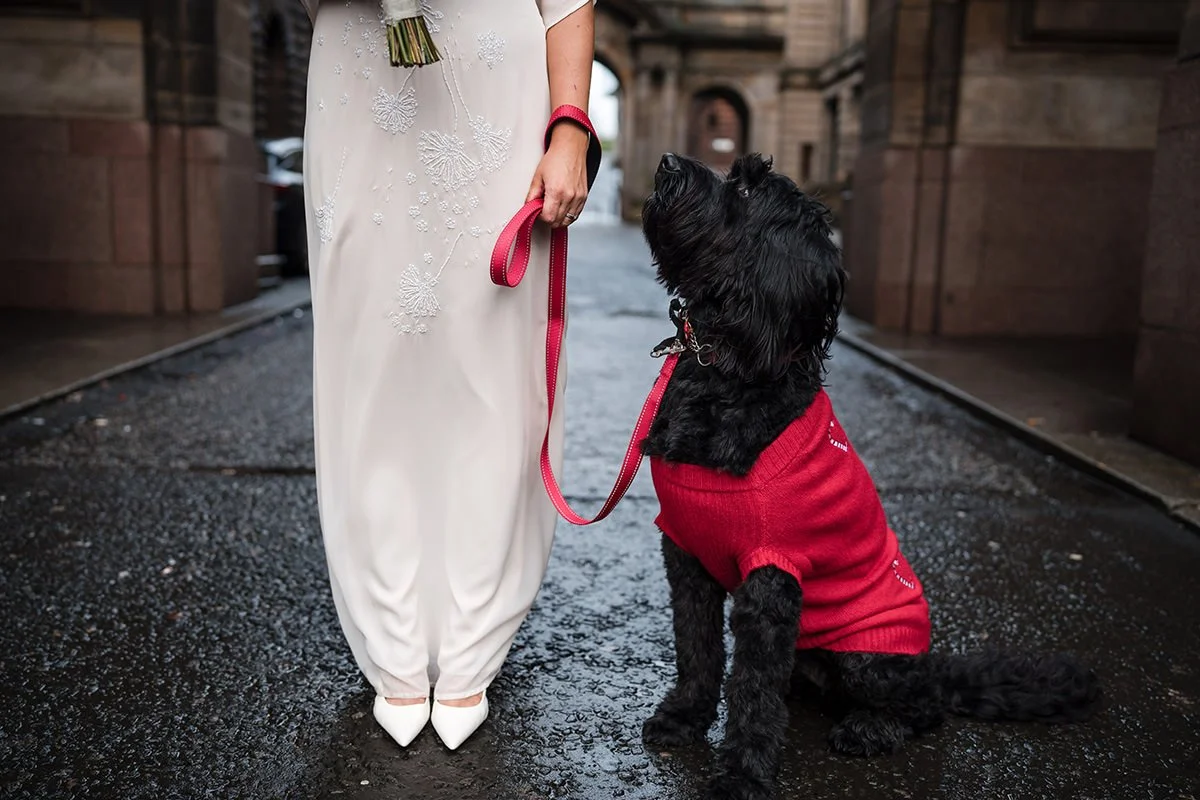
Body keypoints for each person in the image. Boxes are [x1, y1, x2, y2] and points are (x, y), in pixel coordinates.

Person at [298, 0, 595, 750]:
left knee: (489, 362)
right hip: (358, 80)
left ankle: (472, 633)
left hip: (494, 85)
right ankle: (390, 629)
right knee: (368, 367)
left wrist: (568, 128)